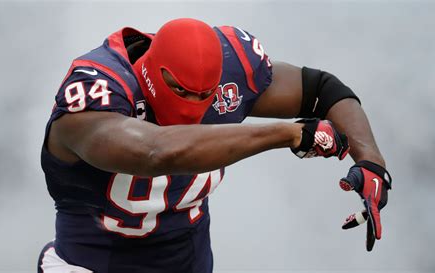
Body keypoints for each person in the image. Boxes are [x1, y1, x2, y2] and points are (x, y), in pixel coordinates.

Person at [38, 18, 392, 273]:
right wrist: (287, 134)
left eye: (204, 95)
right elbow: (155, 152)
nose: (193, 106)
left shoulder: (230, 74)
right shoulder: (97, 93)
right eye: (179, 90)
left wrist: (371, 161)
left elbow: (321, 90)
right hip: (88, 265)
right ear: (151, 70)